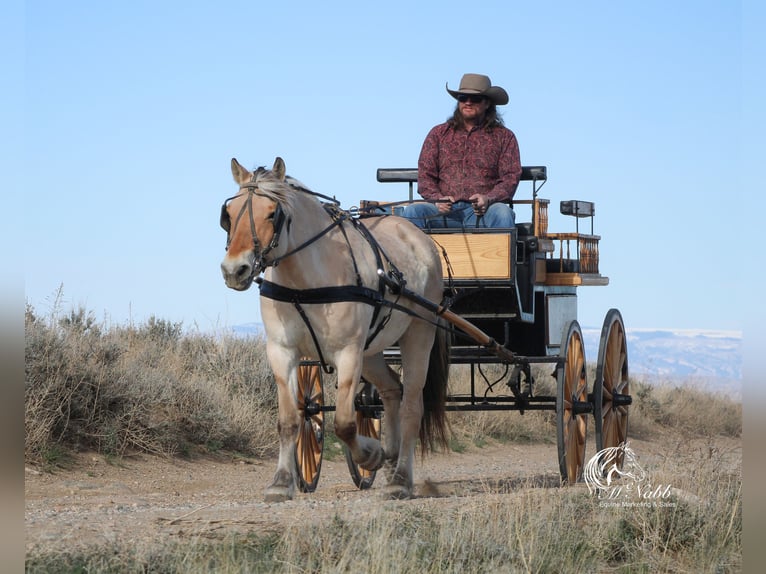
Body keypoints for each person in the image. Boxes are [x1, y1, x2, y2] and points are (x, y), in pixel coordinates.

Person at [403, 73, 522, 229]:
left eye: (475, 99)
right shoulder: (438, 134)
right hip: (444, 213)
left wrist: (488, 199)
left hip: (483, 212)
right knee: (413, 211)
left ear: (487, 104)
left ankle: (501, 254)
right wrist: (438, 199)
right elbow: (425, 174)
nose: (468, 102)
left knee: (502, 213)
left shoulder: (504, 137)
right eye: (462, 98)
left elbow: (510, 177)